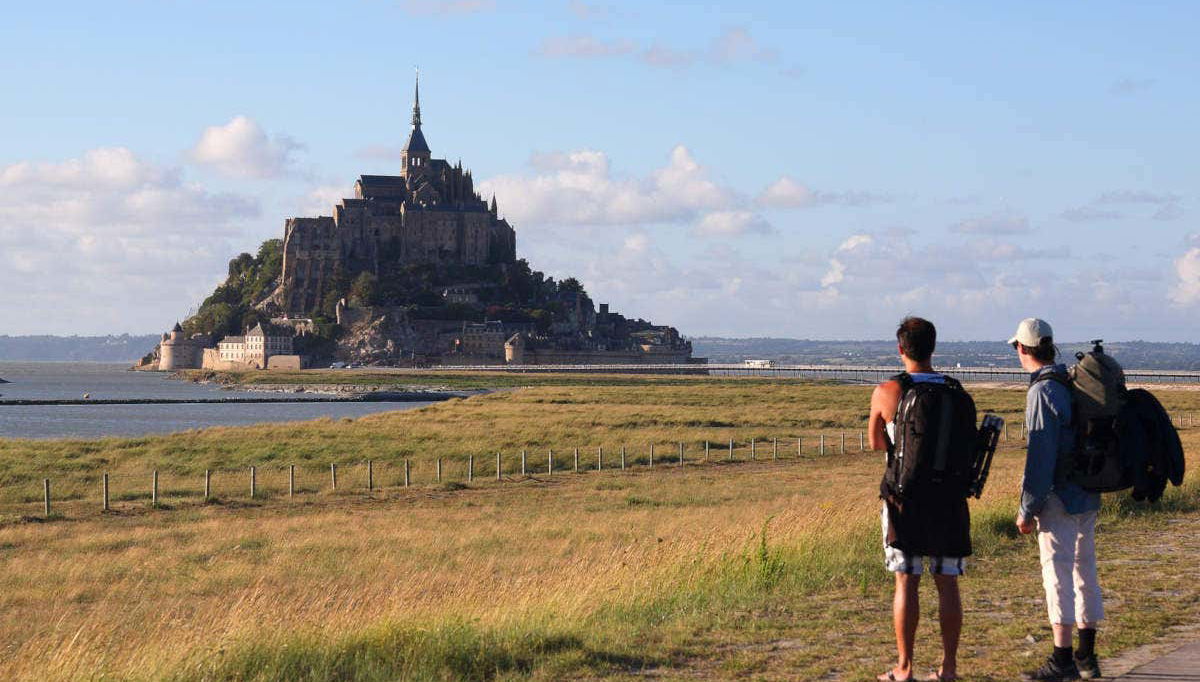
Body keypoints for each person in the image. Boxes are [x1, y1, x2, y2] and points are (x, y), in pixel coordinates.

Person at [870, 317, 970, 682]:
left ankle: (905, 667)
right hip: (949, 499)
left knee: (906, 580)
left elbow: (876, 443)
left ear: (900, 349)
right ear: (933, 348)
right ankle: (948, 669)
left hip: (904, 499)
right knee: (947, 580)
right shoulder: (955, 390)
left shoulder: (887, 391)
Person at [1010, 318, 1103, 681]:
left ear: (1022, 348)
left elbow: (1040, 458)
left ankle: (1061, 658)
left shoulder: (1042, 392)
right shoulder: (1070, 380)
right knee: (1085, 570)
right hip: (1087, 491)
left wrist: (1026, 508)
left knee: (1057, 574)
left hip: (1058, 497)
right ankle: (1086, 655)